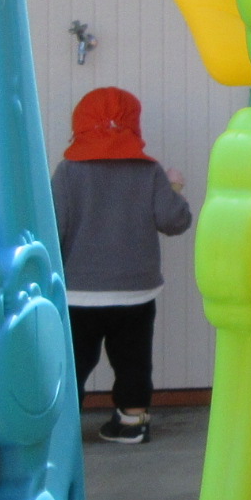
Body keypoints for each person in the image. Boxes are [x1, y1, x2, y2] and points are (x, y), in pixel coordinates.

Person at [51, 87, 193, 445]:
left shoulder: (68, 172)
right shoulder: (149, 172)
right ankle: (132, 422)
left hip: (78, 291)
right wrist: (174, 188)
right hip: (135, 291)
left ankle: (62, 430)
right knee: (133, 361)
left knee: (73, 362)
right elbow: (174, 222)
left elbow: (53, 227)